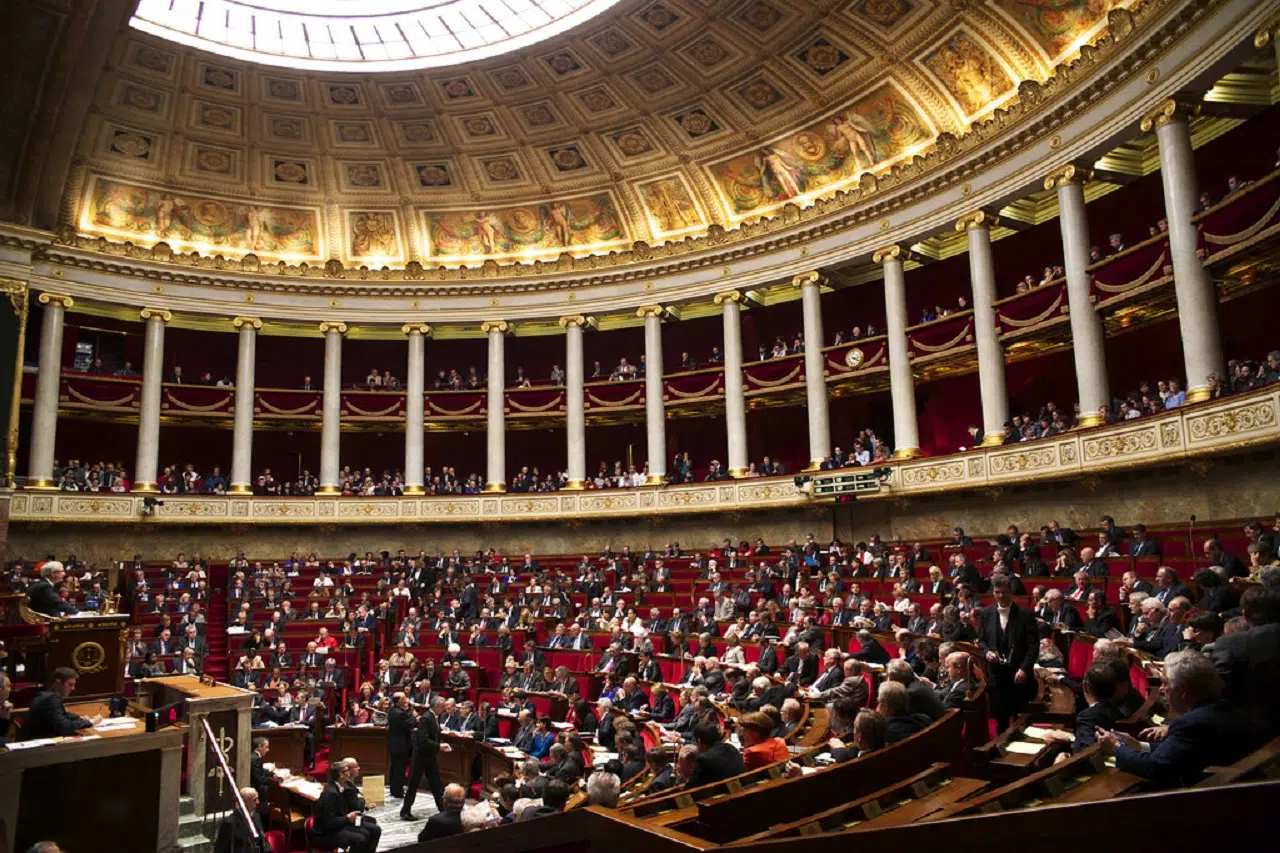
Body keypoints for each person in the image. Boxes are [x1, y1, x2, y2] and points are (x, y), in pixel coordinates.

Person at [1097, 650, 1250, 788]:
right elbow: (1177, 752)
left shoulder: (1191, 723)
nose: (1162, 690)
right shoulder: (1222, 708)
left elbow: (1155, 767)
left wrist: (1117, 747)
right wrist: (1138, 746)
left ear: (1183, 691)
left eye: (1165, 683)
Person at [977, 577, 1038, 730]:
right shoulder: (986, 613)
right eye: (997, 592)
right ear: (993, 593)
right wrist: (987, 652)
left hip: (1019, 671)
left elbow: (1033, 646)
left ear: (1010, 592)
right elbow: (982, 641)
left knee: (1020, 714)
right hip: (997, 672)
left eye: (1004, 592)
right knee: (1000, 714)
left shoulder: (1025, 614)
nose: (1001, 596)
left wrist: (1024, 668)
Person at [402, 695, 451, 819]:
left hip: (429, 756)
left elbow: (434, 735)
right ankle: (405, 811)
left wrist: (441, 744)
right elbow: (422, 740)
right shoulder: (426, 718)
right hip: (420, 757)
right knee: (413, 784)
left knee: (435, 784)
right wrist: (439, 746)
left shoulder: (434, 717)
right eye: (442, 706)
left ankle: (442, 809)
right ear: (436, 706)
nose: (444, 708)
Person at [312, 762, 376, 853]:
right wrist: (347, 818)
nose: (349, 772)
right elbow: (328, 822)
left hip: (338, 825)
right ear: (340, 774)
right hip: (326, 832)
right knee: (361, 837)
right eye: (346, 770)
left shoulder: (339, 787)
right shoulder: (331, 793)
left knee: (375, 830)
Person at [22, 667, 97, 740]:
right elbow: (64, 727)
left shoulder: (47, 695)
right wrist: (90, 722)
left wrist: (78, 718)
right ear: (58, 683)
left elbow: (61, 714)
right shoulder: (51, 698)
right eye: (70, 685)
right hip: (39, 747)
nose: (73, 688)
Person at [686, 722, 746, 788]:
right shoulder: (731, 748)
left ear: (699, 741)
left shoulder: (703, 759)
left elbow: (690, 788)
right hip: (743, 792)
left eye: (694, 741)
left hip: (723, 796)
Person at [212, 787, 267, 853]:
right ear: (243, 803)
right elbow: (220, 849)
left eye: (257, 798)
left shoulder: (256, 816)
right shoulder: (230, 823)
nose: (258, 802)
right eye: (254, 800)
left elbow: (263, 842)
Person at [386, 692, 415, 799]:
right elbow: (411, 723)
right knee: (400, 768)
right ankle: (398, 791)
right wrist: (413, 715)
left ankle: (394, 789)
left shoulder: (393, 710)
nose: (406, 699)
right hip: (401, 745)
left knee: (395, 767)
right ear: (398, 701)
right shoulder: (399, 713)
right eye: (404, 698)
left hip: (394, 744)